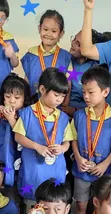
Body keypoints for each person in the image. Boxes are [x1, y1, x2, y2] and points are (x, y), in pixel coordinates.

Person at [13, 67, 73, 200]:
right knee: (33, 203)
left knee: (53, 200)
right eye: (56, 95)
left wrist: (62, 148)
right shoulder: (28, 113)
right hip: (33, 167)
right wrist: (37, 146)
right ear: (42, 90)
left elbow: (67, 141)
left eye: (63, 96)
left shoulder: (62, 117)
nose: (59, 100)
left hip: (55, 168)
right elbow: (18, 136)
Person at [71, 66, 111, 214]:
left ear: (105, 92)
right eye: (84, 91)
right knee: (81, 204)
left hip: (104, 171)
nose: (86, 96)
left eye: (91, 92)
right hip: (82, 170)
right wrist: (78, 159)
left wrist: (105, 164)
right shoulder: (79, 115)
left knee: (102, 207)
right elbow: (73, 138)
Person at [21, 9, 72, 96]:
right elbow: (26, 80)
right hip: (33, 104)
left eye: (53, 31)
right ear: (39, 28)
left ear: (61, 34)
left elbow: (68, 82)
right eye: (45, 29)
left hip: (57, 106)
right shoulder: (30, 54)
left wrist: (65, 103)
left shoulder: (65, 56)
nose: (48, 34)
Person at [0, 73, 31, 186]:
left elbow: (24, 137)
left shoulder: (27, 114)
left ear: (24, 99)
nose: (11, 101)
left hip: (20, 160)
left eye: (17, 98)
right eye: (7, 97)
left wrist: (11, 119)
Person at [0, 0, 19, 89]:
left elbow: (15, 64)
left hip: (4, 86)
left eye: (2, 18)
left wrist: (12, 55)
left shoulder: (8, 38)